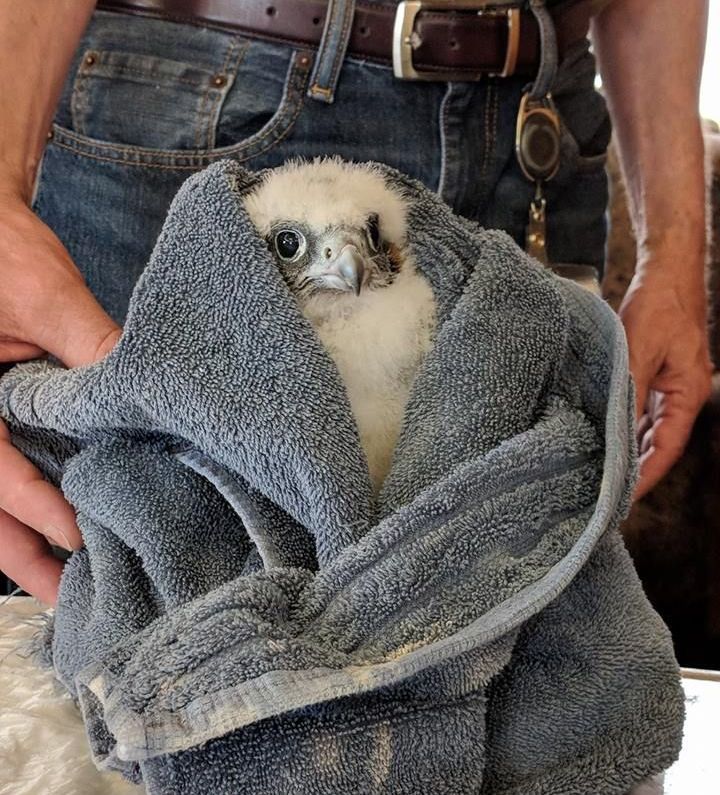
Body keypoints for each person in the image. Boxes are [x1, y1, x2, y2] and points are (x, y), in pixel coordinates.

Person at [0, 0, 712, 605]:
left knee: (515, 680)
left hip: (540, 143)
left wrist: (672, 259)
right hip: (215, 106)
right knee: (127, 679)